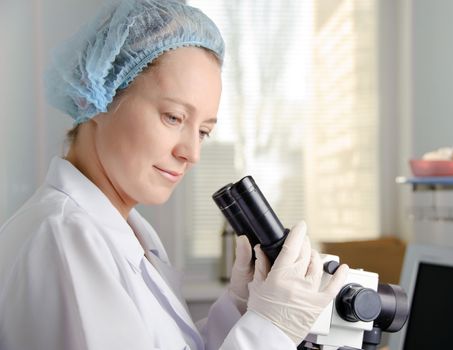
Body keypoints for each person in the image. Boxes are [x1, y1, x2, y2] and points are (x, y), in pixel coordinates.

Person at [0, 1, 349, 349]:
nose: (191, 153)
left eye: (203, 131)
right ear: (99, 94)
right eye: (173, 117)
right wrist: (271, 329)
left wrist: (241, 309)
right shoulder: (64, 237)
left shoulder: (129, 229)